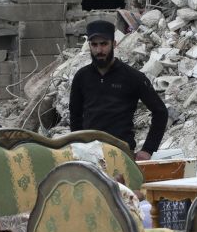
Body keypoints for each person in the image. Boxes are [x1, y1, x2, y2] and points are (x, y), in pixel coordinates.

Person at [69, 20, 168, 161]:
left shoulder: (132, 77)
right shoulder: (81, 77)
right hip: (89, 156)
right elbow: (75, 116)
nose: (99, 50)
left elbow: (160, 112)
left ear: (114, 44)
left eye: (104, 44)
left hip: (121, 154)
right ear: (89, 46)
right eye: (94, 45)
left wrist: (148, 149)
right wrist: (78, 147)